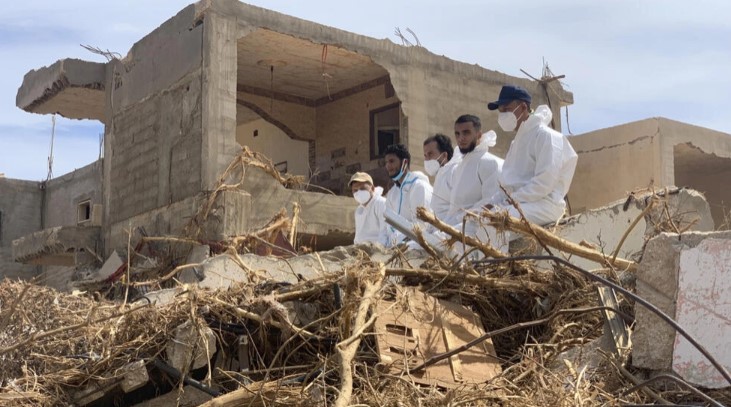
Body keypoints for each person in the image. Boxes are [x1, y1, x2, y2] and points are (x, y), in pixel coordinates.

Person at [487, 84, 578, 226]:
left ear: (523, 107)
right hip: (520, 205)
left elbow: (544, 183)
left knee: (494, 220)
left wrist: (510, 200)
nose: (502, 115)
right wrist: (490, 204)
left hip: (546, 205)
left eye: (506, 109)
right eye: (500, 111)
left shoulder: (546, 136)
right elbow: (507, 185)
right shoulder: (515, 145)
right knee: (478, 218)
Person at [445, 115, 504, 229]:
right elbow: (454, 210)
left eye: (466, 133)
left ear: (479, 135)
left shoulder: (490, 162)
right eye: (457, 134)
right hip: (454, 225)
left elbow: (492, 202)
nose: (460, 138)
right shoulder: (459, 167)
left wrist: (461, 218)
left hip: (476, 228)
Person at [383, 143, 433, 246]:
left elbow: (421, 226)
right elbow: (387, 227)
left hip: (417, 248)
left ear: (404, 162)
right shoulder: (392, 193)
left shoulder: (419, 187)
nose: (388, 166)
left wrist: (399, 242)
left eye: (392, 161)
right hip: (396, 249)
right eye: (386, 162)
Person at [423, 134, 457, 222]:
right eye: (425, 156)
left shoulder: (454, 172)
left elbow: (457, 211)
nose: (427, 159)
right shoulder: (440, 175)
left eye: (430, 154)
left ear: (444, 155)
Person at [349, 172, 388, 245]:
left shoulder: (381, 203)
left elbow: (385, 232)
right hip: (363, 252)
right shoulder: (359, 211)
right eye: (355, 190)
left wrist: (378, 251)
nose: (359, 192)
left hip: (378, 251)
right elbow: (358, 236)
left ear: (372, 188)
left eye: (362, 188)